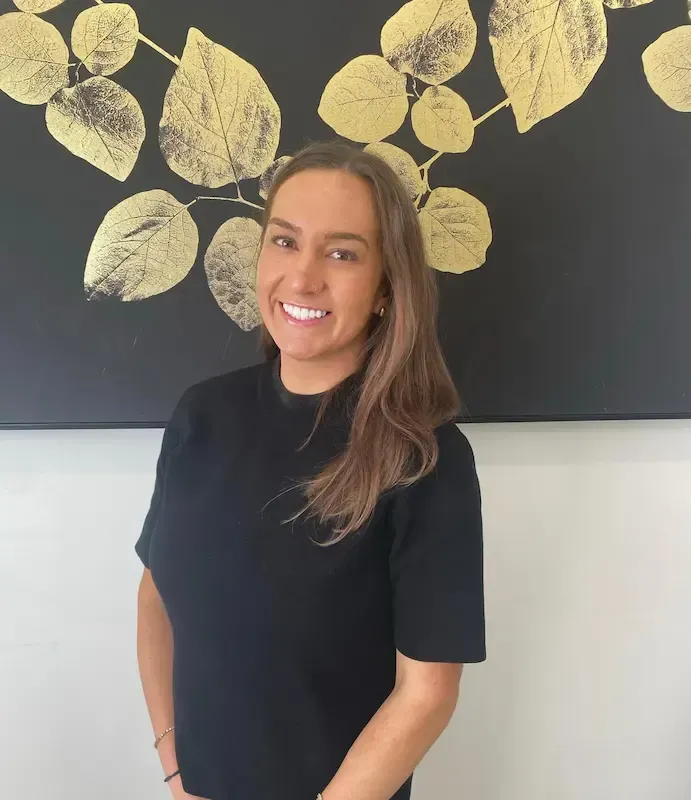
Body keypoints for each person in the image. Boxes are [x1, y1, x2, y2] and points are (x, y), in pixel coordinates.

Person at [135, 141, 486, 800]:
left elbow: (427, 693)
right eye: (285, 242)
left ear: (386, 287)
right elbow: (157, 594)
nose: (302, 279)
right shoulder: (202, 415)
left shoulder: (424, 457)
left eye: (342, 253)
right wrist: (176, 768)